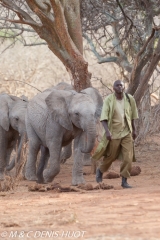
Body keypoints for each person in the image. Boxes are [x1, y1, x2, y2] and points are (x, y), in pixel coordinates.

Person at [94, 80, 138, 188]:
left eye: (121, 85)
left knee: (128, 157)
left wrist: (134, 130)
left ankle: (124, 181)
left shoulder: (129, 99)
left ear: (124, 87)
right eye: (117, 85)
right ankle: (100, 170)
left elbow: (132, 116)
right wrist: (107, 132)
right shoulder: (109, 100)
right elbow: (103, 118)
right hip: (113, 133)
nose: (119, 87)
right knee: (111, 156)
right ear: (113, 88)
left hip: (127, 132)